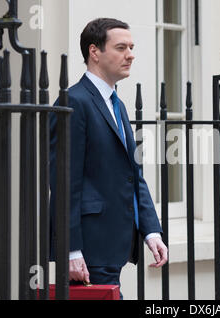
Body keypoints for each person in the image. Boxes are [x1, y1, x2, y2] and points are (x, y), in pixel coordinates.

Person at [49, 18, 168, 298]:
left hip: (115, 245)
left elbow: (132, 174)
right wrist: (71, 249)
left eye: (131, 47)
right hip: (89, 249)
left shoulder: (117, 104)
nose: (131, 54)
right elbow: (64, 180)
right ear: (94, 52)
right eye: (121, 47)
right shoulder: (74, 102)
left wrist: (151, 231)